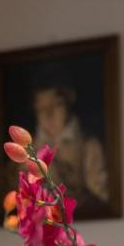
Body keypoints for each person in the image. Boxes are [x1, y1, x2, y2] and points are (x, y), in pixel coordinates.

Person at [32, 85, 111, 214]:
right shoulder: (28, 150)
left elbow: (103, 198)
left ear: (68, 102)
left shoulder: (88, 146)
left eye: (56, 105)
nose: (48, 114)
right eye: (41, 109)